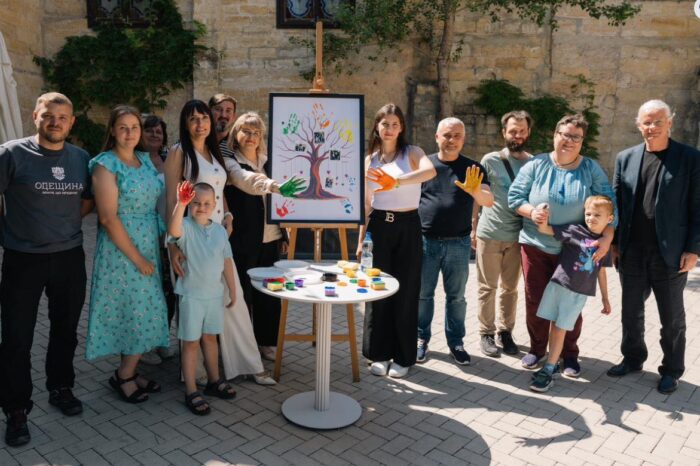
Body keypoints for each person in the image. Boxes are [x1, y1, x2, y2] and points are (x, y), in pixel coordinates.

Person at [0, 92, 93, 447]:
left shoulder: (80, 158)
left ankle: (60, 386)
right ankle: (16, 409)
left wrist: (62, 226)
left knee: (65, 330)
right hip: (22, 259)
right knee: (16, 337)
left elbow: (87, 200)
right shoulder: (11, 154)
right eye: (48, 115)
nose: (55, 122)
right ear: (35, 116)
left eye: (62, 117)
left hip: (69, 257)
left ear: (72, 122)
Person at [165, 101, 275, 385]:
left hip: (217, 236)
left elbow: (219, 189)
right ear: (185, 123)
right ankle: (196, 373)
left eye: (204, 118)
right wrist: (172, 244)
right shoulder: (179, 152)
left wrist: (227, 213)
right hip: (189, 237)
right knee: (193, 304)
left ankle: (247, 364)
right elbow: (170, 199)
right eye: (193, 119)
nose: (200, 124)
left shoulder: (214, 151)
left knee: (232, 299)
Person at [508, 114, 616, 377]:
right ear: (555, 135)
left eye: (576, 137)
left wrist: (608, 236)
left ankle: (569, 355)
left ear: (582, 141)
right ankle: (537, 349)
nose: (569, 141)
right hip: (536, 245)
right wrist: (532, 212)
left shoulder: (590, 168)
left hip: (574, 251)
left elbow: (610, 203)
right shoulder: (536, 164)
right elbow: (515, 197)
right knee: (535, 300)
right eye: (565, 135)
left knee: (570, 306)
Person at [608, 99, 700, 394]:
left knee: (671, 318)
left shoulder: (690, 158)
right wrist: (615, 243)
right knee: (630, 311)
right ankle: (633, 358)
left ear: (670, 122)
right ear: (639, 125)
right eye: (646, 122)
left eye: (658, 121)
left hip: (670, 253)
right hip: (632, 251)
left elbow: (698, 206)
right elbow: (617, 205)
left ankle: (672, 369)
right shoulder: (625, 158)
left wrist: (694, 249)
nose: (652, 127)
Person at [86, 105, 169, 404]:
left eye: (134, 127)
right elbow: (108, 218)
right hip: (122, 250)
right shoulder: (105, 165)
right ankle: (123, 376)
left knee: (139, 311)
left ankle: (130, 371)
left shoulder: (144, 160)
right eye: (123, 127)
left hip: (148, 242)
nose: (130, 133)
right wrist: (138, 258)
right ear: (112, 130)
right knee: (136, 309)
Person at [358, 103, 436, 379]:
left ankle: (403, 357)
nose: (389, 129)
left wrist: (397, 182)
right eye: (385, 124)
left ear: (401, 127)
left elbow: (429, 172)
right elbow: (367, 203)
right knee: (377, 291)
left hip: (408, 226)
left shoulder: (412, 153)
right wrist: (361, 240)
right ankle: (378, 353)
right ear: (377, 127)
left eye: (394, 124)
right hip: (378, 227)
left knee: (406, 291)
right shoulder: (370, 160)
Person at [223, 112, 305, 363]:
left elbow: (280, 204)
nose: (251, 137)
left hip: (271, 237)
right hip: (243, 239)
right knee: (243, 293)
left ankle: (267, 342)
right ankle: (243, 346)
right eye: (246, 131)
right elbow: (245, 181)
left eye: (256, 133)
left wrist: (284, 233)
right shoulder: (230, 162)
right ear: (236, 134)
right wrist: (274, 186)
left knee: (269, 293)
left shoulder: (270, 162)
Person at [416, 117, 494, 365]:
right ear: (437, 137)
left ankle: (456, 343)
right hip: (425, 241)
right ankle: (420, 339)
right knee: (422, 295)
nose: (452, 140)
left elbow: (488, 201)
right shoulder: (424, 165)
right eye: (447, 135)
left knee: (456, 297)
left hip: (458, 244)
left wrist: (475, 190)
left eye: (457, 136)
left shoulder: (473, 168)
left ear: (463, 139)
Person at [529, 195, 614, 392]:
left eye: (597, 215)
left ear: (609, 219)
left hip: (577, 293)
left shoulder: (604, 245)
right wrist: (543, 216)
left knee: (560, 329)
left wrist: (605, 298)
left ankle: (548, 369)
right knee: (554, 325)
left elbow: (601, 272)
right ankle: (552, 364)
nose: (591, 218)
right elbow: (545, 230)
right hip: (557, 285)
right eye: (588, 214)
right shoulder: (575, 230)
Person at [169, 181, 238, 415]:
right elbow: (173, 231)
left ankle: (214, 381)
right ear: (190, 204)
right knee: (190, 343)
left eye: (207, 203)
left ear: (215, 205)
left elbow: (226, 261)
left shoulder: (219, 231)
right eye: (196, 203)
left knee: (210, 339)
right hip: (191, 296)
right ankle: (190, 390)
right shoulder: (186, 227)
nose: (201, 207)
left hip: (214, 296)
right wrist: (181, 204)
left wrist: (232, 289)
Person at [475, 110, 533, 358]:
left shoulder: (534, 163)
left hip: (518, 236)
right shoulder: (490, 160)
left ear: (528, 132)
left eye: (521, 131)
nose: (517, 135)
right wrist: (473, 227)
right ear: (504, 132)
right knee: (487, 287)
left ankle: (505, 332)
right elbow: (478, 193)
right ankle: (486, 333)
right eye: (512, 131)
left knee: (510, 289)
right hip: (489, 233)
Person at [141, 114, 176, 365]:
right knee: (147, 291)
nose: (155, 134)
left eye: (159, 131)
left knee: (168, 291)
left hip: (167, 235)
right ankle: (143, 346)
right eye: (149, 130)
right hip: (142, 235)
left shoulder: (168, 160)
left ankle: (161, 338)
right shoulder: (133, 161)